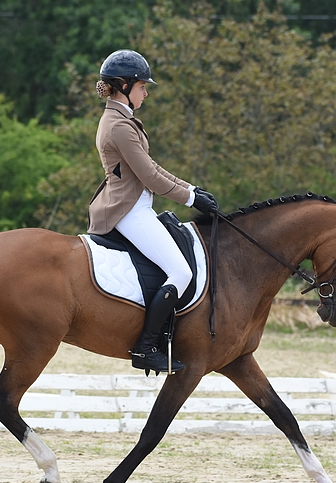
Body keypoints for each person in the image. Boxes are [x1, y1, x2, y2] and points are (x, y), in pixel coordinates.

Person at [89, 49, 218, 375]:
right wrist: (190, 199)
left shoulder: (122, 120)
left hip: (137, 206)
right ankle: (146, 348)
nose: (146, 92)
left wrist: (192, 189)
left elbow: (153, 169)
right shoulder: (118, 125)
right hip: (128, 211)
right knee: (182, 273)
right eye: (142, 86)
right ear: (123, 85)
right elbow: (149, 177)